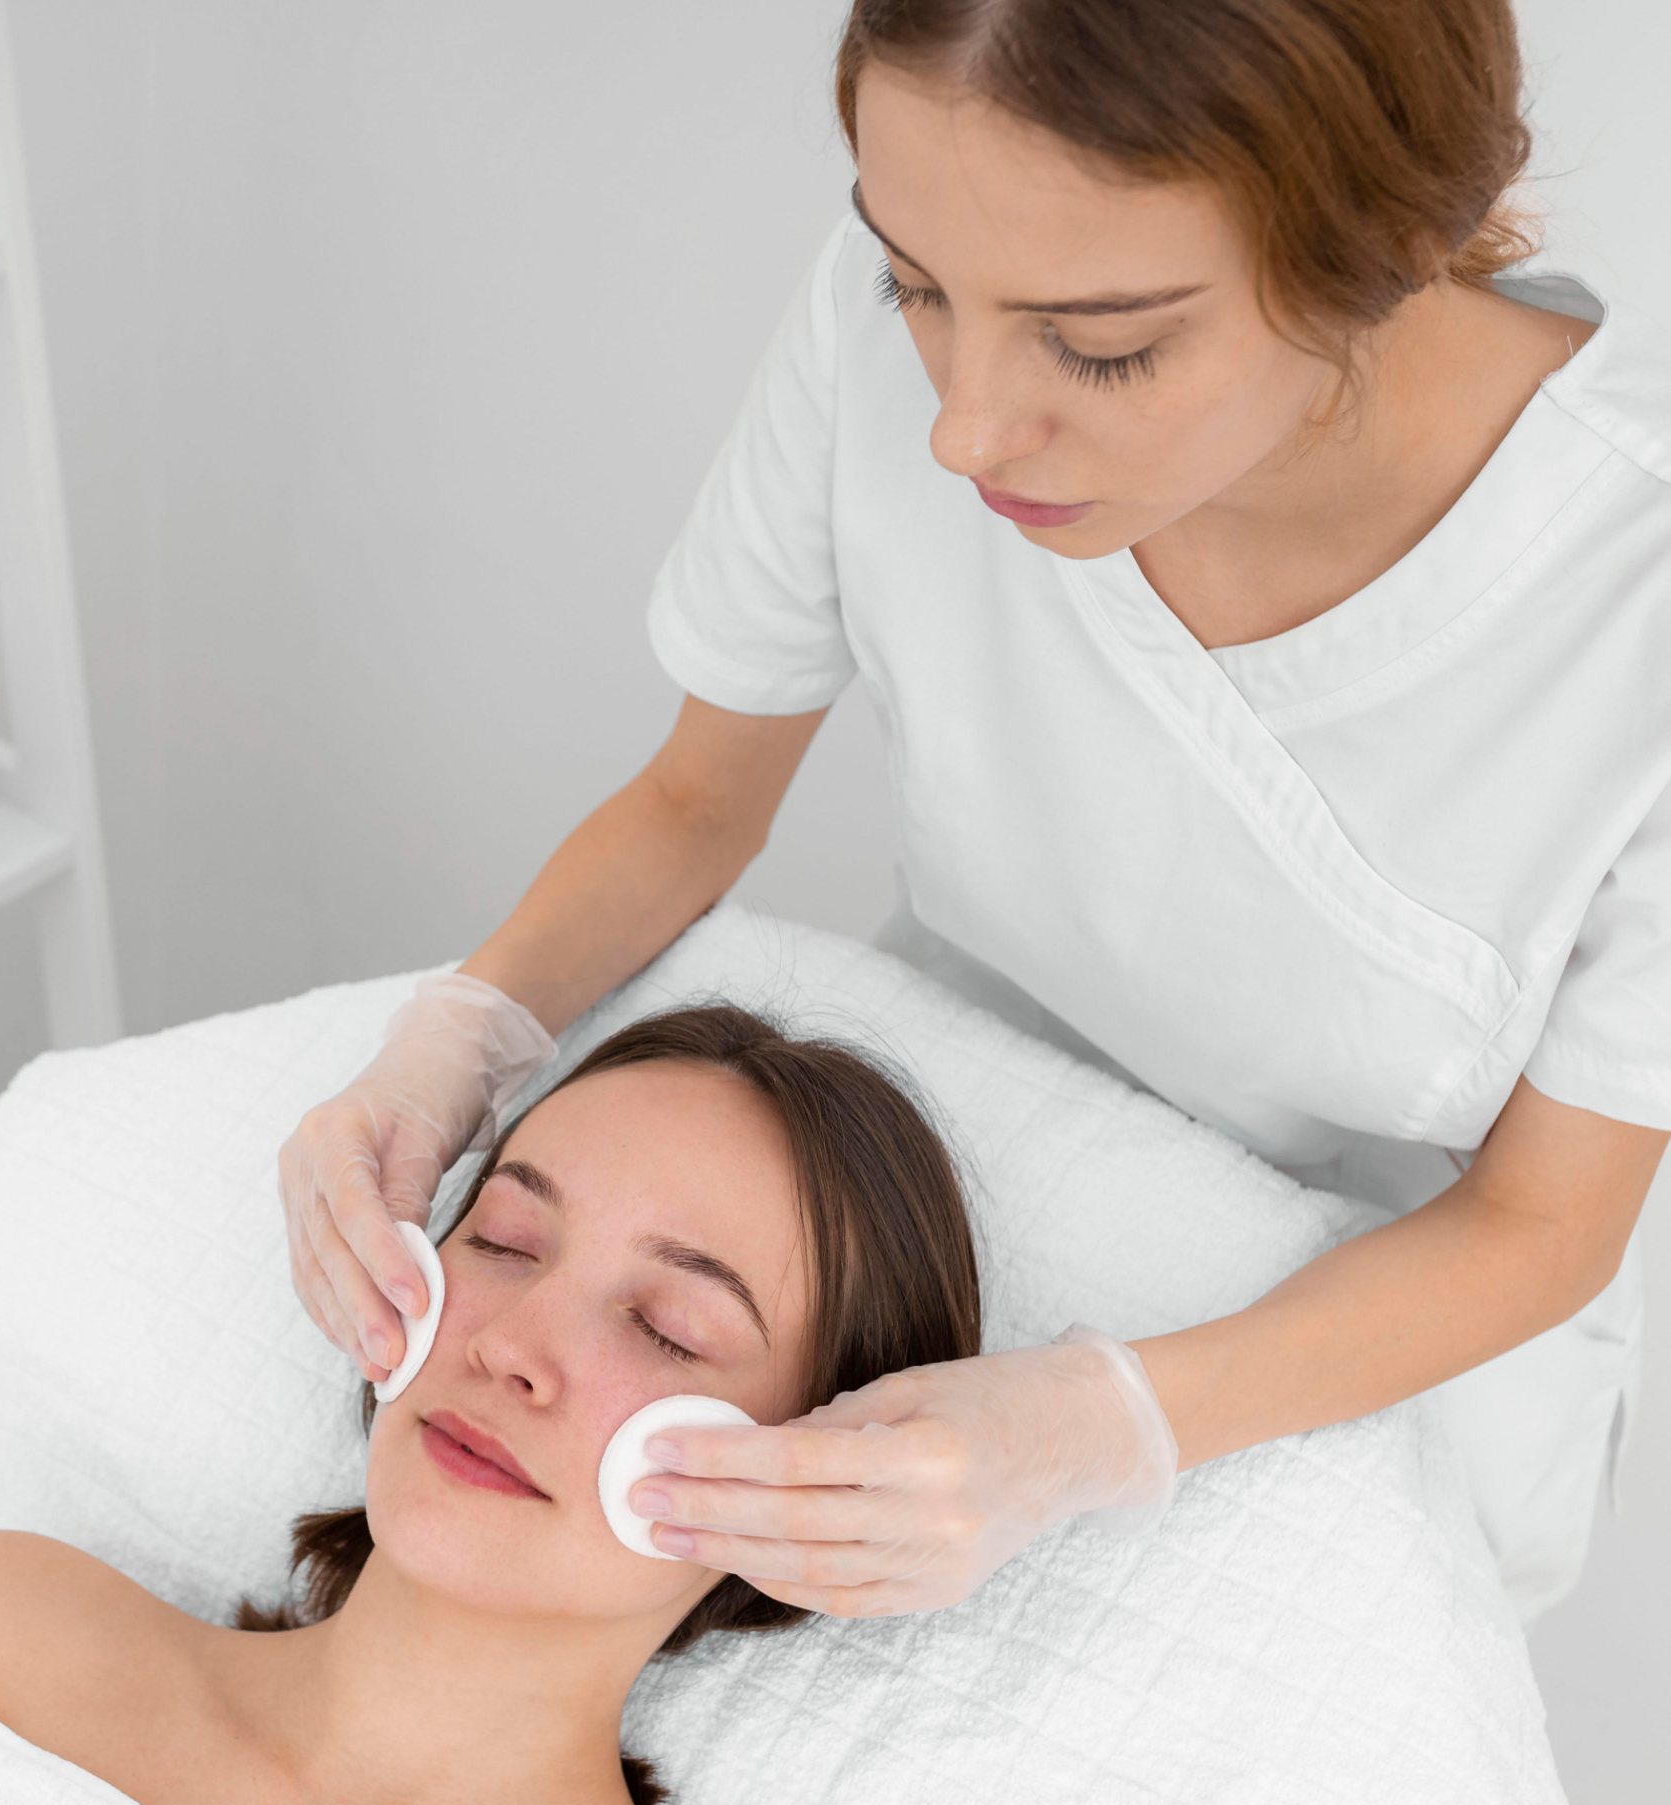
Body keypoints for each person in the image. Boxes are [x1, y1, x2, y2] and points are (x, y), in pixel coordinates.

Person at [284, 0, 1671, 1625]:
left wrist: (1098, 1424)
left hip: (1350, 1345)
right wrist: (460, 1033)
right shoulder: (915, 313)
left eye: (1102, 346)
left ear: (1393, 241)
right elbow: (691, 799)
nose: (961, 426)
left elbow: (1541, 1221)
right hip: (929, 1194)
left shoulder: (1628, 603)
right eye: (915, 286)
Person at [0, 1006, 1007, 1805]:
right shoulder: (4, 1627)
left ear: (814, 1488)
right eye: (503, 1239)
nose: (510, 1344)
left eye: (667, 1328)